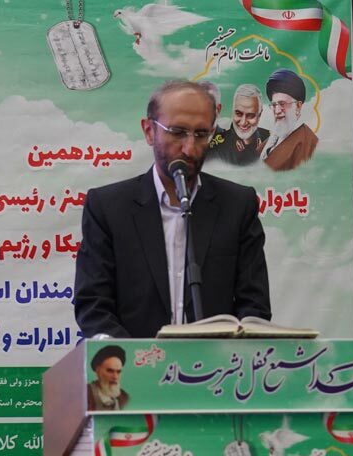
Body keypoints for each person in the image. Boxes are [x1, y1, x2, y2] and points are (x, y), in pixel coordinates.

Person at [74, 80, 271, 339]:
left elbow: (254, 306)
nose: (189, 148)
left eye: (201, 134)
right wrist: (132, 356)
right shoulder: (108, 208)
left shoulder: (237, 205)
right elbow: (93, 305)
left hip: (215, 362)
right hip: (135, 361)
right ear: (149, 131)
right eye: (177, 132)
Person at [260, 69, 318, 171]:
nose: (277, 111)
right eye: (274, 105)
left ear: (298, 106)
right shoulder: (270, 141)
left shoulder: (307, 145)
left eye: (282, 104)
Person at [207, 84, 271, 165]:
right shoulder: (216, 147)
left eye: (250, 115)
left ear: (260, 114)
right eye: (238, 114)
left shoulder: (271, 140)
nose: (243, 122)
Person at [86, 345, 129, 411]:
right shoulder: (86, 393)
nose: (115, 377)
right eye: (110, 371)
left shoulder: (124, 397)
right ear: (98, 371)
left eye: (118, 372)